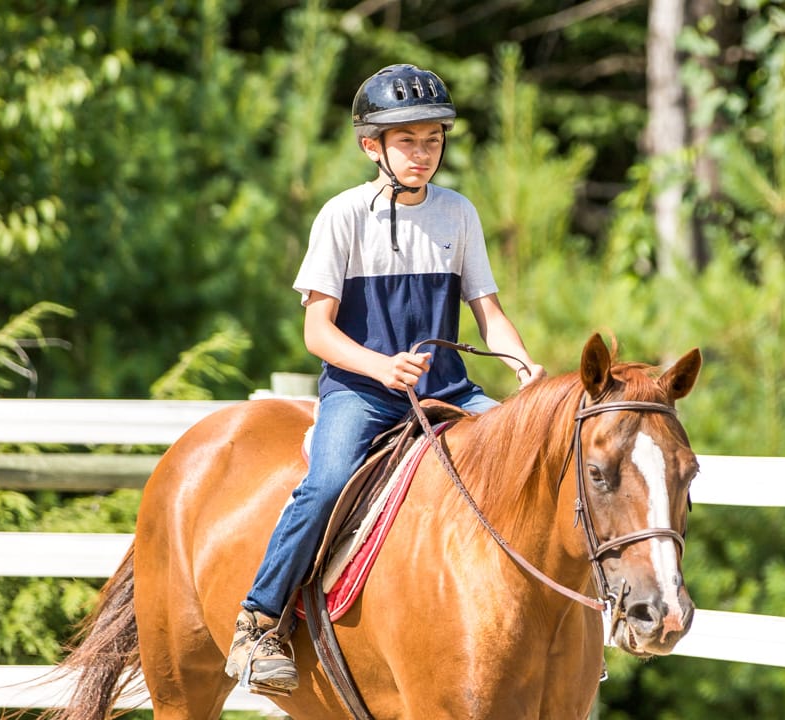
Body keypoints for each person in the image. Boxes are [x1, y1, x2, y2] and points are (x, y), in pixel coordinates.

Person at [224, 63, 546, 692]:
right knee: (325, 486)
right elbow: (317, 333)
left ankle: (562, 627)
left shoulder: (458, 214)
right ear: (372, 145)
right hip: (363, 393)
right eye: (407, 141)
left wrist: (524, 368)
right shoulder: (341, 217)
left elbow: (490, 315)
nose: (423, 154)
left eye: (433, 140)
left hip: (447, 391)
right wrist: (381, 367)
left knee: (533, 464)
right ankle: (259, 618)